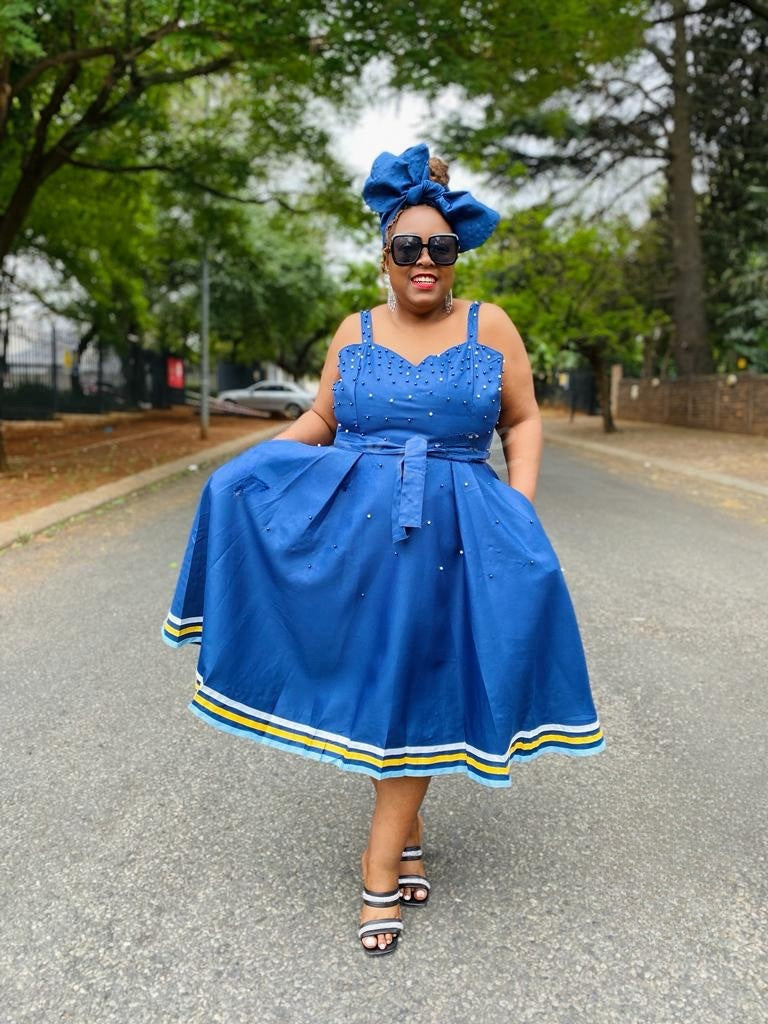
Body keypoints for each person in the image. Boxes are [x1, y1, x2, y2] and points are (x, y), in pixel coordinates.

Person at [162, 144, 604, 957]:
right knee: (385, 684)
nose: (426, 261)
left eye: (441, 247)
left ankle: (378, 868)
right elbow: (321, 422)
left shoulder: (489, 325)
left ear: (456, 256)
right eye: (409, 248)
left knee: (422, 683)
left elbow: (524, 421)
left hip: (460, 539)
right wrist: (247, 471)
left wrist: (519, 505)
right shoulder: (354, 331)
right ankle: (405, 836)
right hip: (361, 541)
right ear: (386, 258)